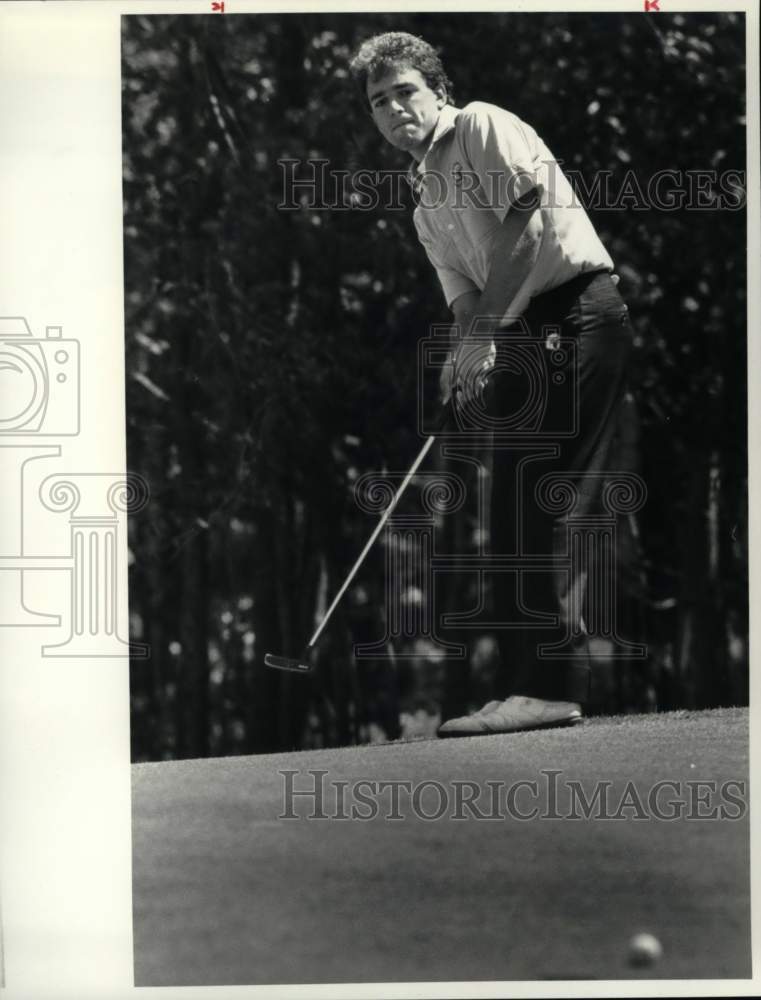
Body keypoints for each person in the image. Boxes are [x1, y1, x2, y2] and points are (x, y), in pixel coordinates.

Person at [349, 32, 634, 735]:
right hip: (522, 330)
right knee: (508, 505)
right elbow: (466, 300)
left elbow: (527, 221)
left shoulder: (479, 124)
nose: (392, 108)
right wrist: (459, 356)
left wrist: (482, 338)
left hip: (574, 311)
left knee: (535, 495)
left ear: (437, 90)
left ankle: (550, 684)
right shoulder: (422, 206)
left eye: (403, 90)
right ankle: (531, 687)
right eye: (377, 101)